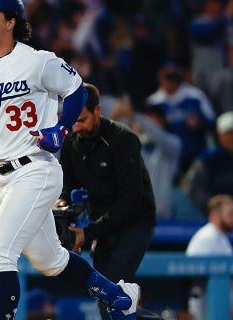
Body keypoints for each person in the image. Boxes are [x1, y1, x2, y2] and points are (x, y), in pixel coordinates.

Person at [0, 1, 140, 319]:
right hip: (0, 177)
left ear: (11, 22)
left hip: (34, 169)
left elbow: (76, 91)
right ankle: (121, 297)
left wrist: (61, 128)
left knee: (0, 254)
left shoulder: (37, 62)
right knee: (51, 262)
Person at [56, 83, 156, 320]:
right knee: (105, 297)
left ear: (97, 110)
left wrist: (87, 233)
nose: (76, 126)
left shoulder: (124, 140)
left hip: (135, 224)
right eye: (73, 121)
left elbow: (130, 200)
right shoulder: (70, 142)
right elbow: (66, 188)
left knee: (111, 290)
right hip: (101, 225)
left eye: (82, 120)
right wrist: (61, 207)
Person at [186, 194, 233, 320]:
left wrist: (229, 307)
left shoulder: (221, 237)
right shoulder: (206, 237)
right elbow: (187, 273)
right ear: (215, 215)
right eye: (231, 213)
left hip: (218, 305)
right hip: (203, 307)